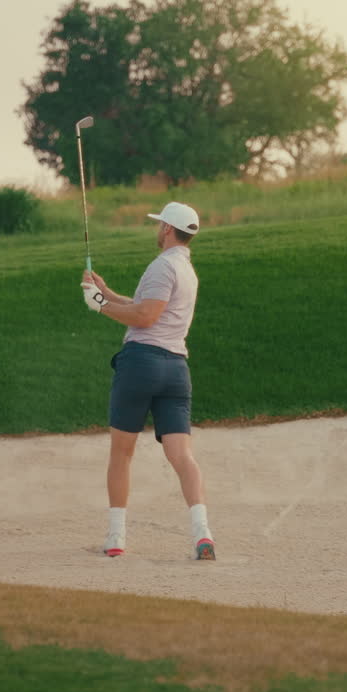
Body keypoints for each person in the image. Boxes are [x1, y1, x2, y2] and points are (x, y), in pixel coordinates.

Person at [80, 201, 215, 561]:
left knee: (121, 454)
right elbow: (145, 306)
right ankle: (203, 533)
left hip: (142, 364)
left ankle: (115, 537)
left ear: (167, 230)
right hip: (176, 371)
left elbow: (143, 316)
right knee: (182, 456)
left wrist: (97, 304)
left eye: (159, 225)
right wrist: (106, 293)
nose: (157, 230)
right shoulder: (187, 270)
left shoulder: (161, 266)